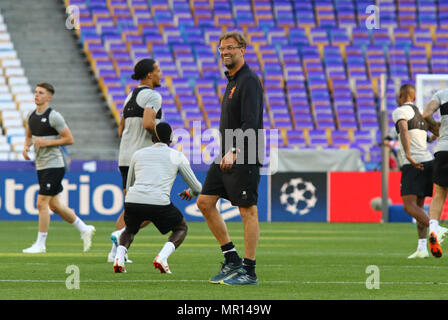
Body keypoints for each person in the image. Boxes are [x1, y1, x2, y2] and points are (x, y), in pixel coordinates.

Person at [196, 31, 264, 286]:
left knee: (247, 210)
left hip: (244, 154)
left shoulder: (249, 81)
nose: (225, 52)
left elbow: (250, 122)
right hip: (226, 155)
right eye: (222, 48)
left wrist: (235, 150)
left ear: (242, 50)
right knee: (204, 202)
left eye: (231, 48)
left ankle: (249, 270)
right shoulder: (232, 81)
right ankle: (232, 259)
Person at [113, 122, 202, 273]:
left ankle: (119, 259)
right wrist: (190, 193)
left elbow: (129, 186)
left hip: (133, 200)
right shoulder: (177, 156)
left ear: (152, 138)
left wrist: (134, 200)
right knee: (180, 228)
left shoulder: (138, 154)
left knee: (129, 229)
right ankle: (162, 257)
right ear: (171, 139)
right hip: (159, 202)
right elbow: (197, 187)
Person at [22, 82, 95, 253]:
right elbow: (29, 135)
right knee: (55, 205)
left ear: (49, 97)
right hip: (41, 165)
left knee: (42, 203)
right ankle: (84, 228)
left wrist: (47, 142)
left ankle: (40, 244)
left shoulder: (54, 116)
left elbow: (69, 139)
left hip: (54, 164)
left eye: (41, 93)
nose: (36, 95)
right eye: (36, 92)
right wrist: (26, 147)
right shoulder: (31, 115)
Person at [107, 58, 163, 263]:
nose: (160, 74)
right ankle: (122, 234)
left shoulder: (130, 95)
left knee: (131, 208)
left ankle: (116, 251)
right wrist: (164, 138)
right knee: (152, 210)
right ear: (149, 75)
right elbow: (149, 123)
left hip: (125, 156)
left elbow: (121, 128)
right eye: (157, 70)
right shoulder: (153, 96)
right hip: (143, 159)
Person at [392, 84, 446, 259]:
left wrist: (408, 154)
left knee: (409, 206)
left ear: (401, 96)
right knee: (420, 206)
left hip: (413, 163)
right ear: (414, 97)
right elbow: (436, 132)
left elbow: (403, 129)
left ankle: (436, 230)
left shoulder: (400, 112)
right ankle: (422, 247)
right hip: (429, 161)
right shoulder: (421, 113)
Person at [423, 87, 448, 257]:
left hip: (443, 150)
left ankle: (433, 228)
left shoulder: (442, 94)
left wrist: (436, 128)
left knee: (438, 194)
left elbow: (425, 115)